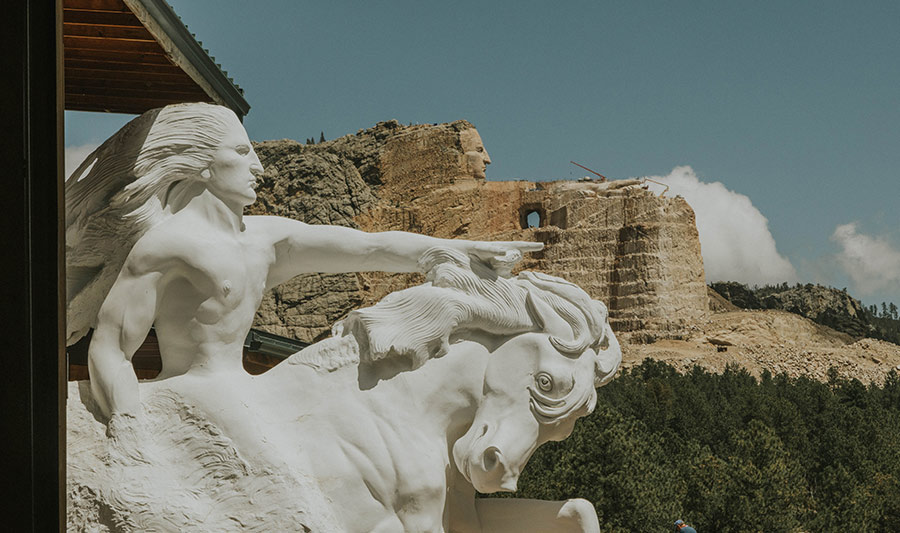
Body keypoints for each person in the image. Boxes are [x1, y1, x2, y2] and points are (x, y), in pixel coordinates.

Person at [68, 103, 541, 429]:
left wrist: (459, 249)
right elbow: (110, 351)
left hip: (248, 394)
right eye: (241, 151)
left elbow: (369, 247)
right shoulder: (165, 247)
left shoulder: (267, 237)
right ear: (201, 166)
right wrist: (130, 429)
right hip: (194, 402)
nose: (259, 166)